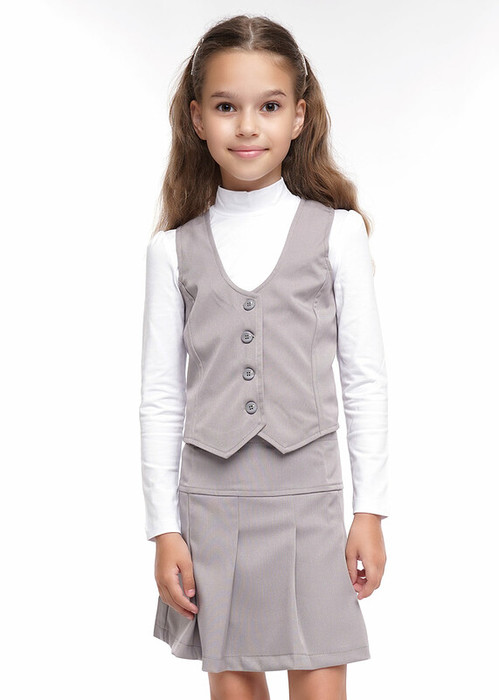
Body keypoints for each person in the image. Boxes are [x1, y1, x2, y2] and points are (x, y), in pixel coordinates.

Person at [139, 13, 389, 700]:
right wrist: (164, 529)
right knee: (234, 681)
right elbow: (162, 396)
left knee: (319, 678)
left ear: (299, 116)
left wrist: (369, 511)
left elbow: (363, 379)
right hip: (212, 508)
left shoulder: (337, 234)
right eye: (226, 107)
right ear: (197, 118)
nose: (247, 126)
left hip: (310, 501)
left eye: (269, 107)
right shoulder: (171, 250)